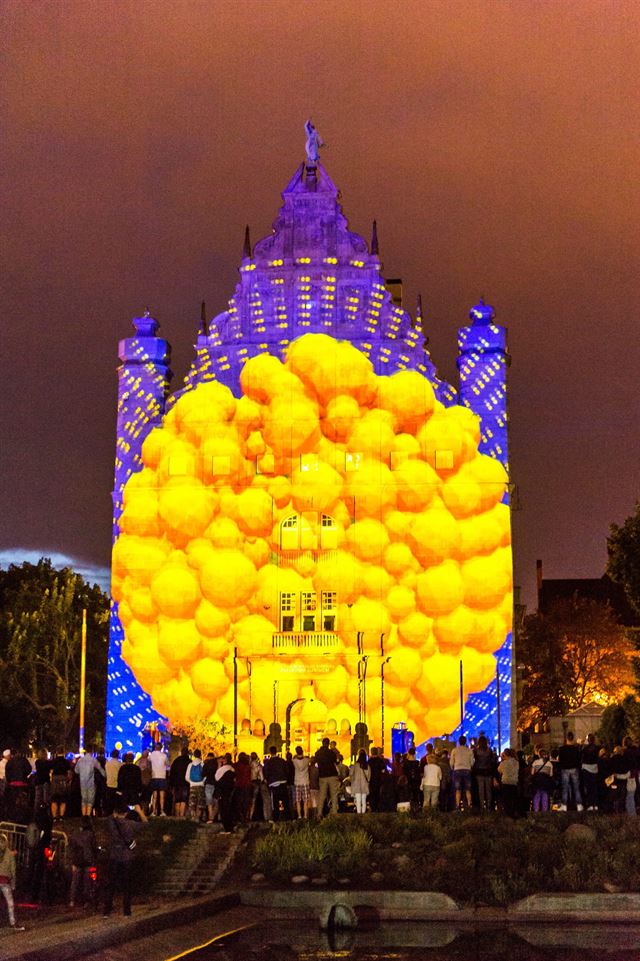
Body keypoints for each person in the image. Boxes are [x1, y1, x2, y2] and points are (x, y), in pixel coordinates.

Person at [103, 800, 139, 917]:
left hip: (114, 856)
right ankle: (127, 911)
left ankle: (106, 911)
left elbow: (112, 831)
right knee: (127, 885)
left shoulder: (111, 821)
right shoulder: (129, 824)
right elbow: (145, 824)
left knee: (111, 884)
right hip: (127, 857)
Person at [69, 816, 98, 908]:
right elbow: (94, 847)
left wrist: (73, 861)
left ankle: (72, 900)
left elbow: (72, 848)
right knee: (87, 882)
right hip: (88, 860)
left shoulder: (75, 834)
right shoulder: (91, 834)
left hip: (77, 860)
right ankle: (86, 902)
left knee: (75, 882)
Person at [0, 832, 24, 931]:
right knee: (10, 903)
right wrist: (13, 884)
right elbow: (13, 871)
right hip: (5, 881)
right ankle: (12, 922)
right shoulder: (10, 854)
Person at [263, 747, 291, 822]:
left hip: (273, 783)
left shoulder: (268, 763)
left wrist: (267, 780)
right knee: (284, 800)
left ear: (270, 753)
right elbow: (287, 771)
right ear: (276, 752)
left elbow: (266, 773)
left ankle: (276, 817)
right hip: (283, 782)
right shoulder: (282, 761)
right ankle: (286, 816)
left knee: (275, 802)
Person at [558, 731, 583, 811]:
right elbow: (579, 760)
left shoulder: (562, 749)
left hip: (565, 769)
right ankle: (579, 804)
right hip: (574, 768)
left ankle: (564, 805)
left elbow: (560, 760)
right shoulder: (576, 749)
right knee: (576, 787)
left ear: (567, 739)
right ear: (573, 738)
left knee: (565, 787)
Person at [117, 753, 147, 821]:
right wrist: (139, 791)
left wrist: (119, 790)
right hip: (134, 791)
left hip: (125, 791)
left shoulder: (123, 768)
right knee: (138, 808)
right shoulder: (136, 768)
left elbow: (120, 780)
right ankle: (144, 821)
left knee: (124, 809)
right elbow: (139, 780)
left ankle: (123, 822)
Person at [75, 750, 105, 817]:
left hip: (82, 782)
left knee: (84, 800)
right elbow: (100, 769)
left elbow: (76, 770)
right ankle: (88, 816)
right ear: (92, 752)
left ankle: (83, 815)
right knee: (90, 801)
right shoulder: (93, 760)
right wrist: (105, 776)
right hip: (91, 783)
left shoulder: (80, 760)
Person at [315, 738, 340, 817]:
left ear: (322, 743)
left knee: (322, 795)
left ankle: (319, 813)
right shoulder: (331, 752)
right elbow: (336, 761)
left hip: (322, 776)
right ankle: (334, 812)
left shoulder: (317, 753)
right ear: (328, 744)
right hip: (332, 775)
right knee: (334, 795)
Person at [450, 735, 474, 810]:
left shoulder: (454, 750)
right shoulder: (469, 750)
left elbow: (451, 762)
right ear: (465, 742)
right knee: (468, 789)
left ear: (459, 742)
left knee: (458, 789)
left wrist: (452, 768)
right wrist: (470, 766)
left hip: (457, 770)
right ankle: (469, 805)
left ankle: (457, 806)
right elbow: (472, 761)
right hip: (467, 770)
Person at [214, 754, 236, 833]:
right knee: (229, 809)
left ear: (225, 760)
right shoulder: (233, 769)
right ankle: (230, 827)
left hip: (222, 793)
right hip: (230, 792)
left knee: (223, 810)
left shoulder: (222, 769)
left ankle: (227, 828)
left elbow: (216, 778)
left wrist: (219, 766)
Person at [473, 736, 495, 811]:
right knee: (488, 790)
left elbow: (474, 761)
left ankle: (482, 807)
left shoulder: (476, 751)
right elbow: (492, 761)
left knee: (481, 790)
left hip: (479, 772)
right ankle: (489, 807)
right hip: (488, 772)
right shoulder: (489, 750)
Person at [530, 747, 555, 812]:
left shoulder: (535, 762)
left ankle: (536, 809)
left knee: (537, 795)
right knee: (545, 795)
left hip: (537, 781)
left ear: (539, 755)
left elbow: (532, 773)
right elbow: (551, 774)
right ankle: (545, 810)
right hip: (546, 782)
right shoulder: (549, 764)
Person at [169, 748, 191, 818]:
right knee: (184, 799)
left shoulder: (176, 761)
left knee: (177, 799)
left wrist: (171, 784)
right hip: (185, 783)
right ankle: (181, 815)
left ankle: (177, 815)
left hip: (177, 783)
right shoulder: (189, 762)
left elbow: (172, 773)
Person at [498, 749, 520, 817]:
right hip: (514, 782)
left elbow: (499, 770)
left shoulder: (504, 763)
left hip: (506, 782)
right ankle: (513, 812)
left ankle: (508, 813)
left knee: (506, 799)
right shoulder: (516, 762)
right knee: (512, 799)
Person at [186, 749, 206, 821]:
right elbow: (205, 776)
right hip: (201, 785)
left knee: (192, 802)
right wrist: (202, 782)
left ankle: (193, 817)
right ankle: (198, 817)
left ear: (194, 755)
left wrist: (191, 782)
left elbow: (186, 777)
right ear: (200, 755)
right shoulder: (202, 764)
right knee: (200, 802)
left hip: (192, 786)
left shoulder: (190, 765)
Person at [149, 743, 168, 816]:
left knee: (154, 795)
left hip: (154, 776)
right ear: (161, 748)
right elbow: (167, 764)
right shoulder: (164, 756)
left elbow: (148, 761)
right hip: (162, 777)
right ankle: (162, 811)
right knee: (162, 796)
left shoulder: (151, 755)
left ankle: (153, 811)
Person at [349, 750, 370, 814]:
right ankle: (363, 814)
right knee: (364, 801)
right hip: (364, 786)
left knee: (358, 801)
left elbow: (351, 774)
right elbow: (369, 776)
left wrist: (352, 781)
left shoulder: (355, 765)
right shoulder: (367, 766)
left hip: (356, 785)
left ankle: (358, 815)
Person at [233, 752, 252, 823]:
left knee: (239, 802)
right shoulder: (248, 766)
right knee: (246, 802)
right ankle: (245, 816)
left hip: (238, 785)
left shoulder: (236, 765)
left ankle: (239, 817)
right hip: (247, 785)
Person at [292, 746, 311, 819]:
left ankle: (299, 816)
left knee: (298, 801)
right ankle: (305, 816)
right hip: (305, 781)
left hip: (297, 782)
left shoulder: (294, 761)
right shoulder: (306, 760)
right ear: (302, 751)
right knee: (305, 801)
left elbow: (294, 758)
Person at [402, 747, 422, 812]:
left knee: (408, 795)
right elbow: (419, 772)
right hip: (416, 781)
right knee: (415, 795)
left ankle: (408, 809)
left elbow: (404, 772)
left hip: (408, 781)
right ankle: (416, 809)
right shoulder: (417, 763)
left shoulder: (405, 763)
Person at [367, 748, 386, 813]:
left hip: (371, 780)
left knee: (372, 794)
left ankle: (373, 807)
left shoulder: (369, 761)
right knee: (378, 794)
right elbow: (383, 770)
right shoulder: (380, 760)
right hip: (378, 780)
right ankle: (378, 807)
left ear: (371, 752)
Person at [202, 752, 219, 824]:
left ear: (208, 757)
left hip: (208, 784)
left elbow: (203, 774)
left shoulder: (206, 764)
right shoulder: (217, 764)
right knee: (216, 802)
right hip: (216, 784)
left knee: (209, 802)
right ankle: (213, 817)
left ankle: (210, 818)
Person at [104, 750, 122, 816]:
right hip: (117, 785)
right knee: (116, 803)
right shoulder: (120, 764)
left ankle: (109, 816)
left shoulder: (107, 764)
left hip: (109, 784)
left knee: (109, 803)